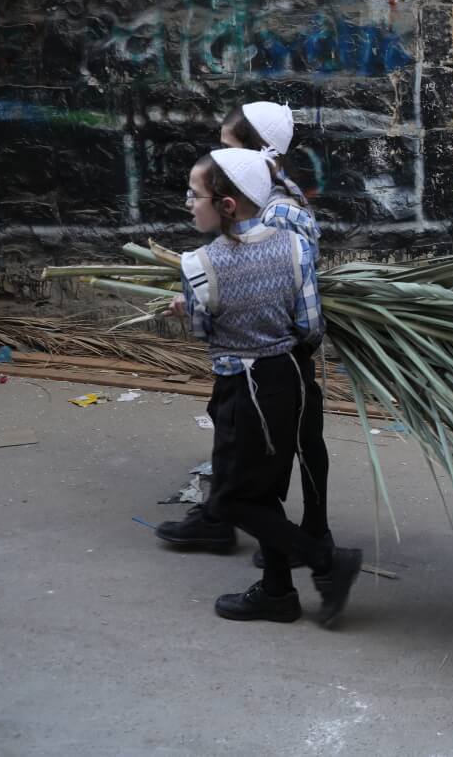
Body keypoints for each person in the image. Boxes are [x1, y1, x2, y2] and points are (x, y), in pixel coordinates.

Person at [172, 146, 362, 626]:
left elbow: (202, 331)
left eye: (195, 196)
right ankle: (278, 592)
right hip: (291, 381)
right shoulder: (295, 246)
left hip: (244, 389)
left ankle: (327, 563)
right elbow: (310, 326)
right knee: (267, 489)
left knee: (232, 499)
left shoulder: (198, 265)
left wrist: (189, 307)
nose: (189, 204)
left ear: (228, 205)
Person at [155, 102, 332, 567]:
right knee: (253, 437)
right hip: (271, 354)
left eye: (227, 148)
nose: (218, 155)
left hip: (273, 356)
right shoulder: (267, 201)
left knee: (278, 443)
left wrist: (205, 300)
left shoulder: (281, 214)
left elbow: (284, 293)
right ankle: (239, 526)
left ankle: (306, 539)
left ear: (255, 154)